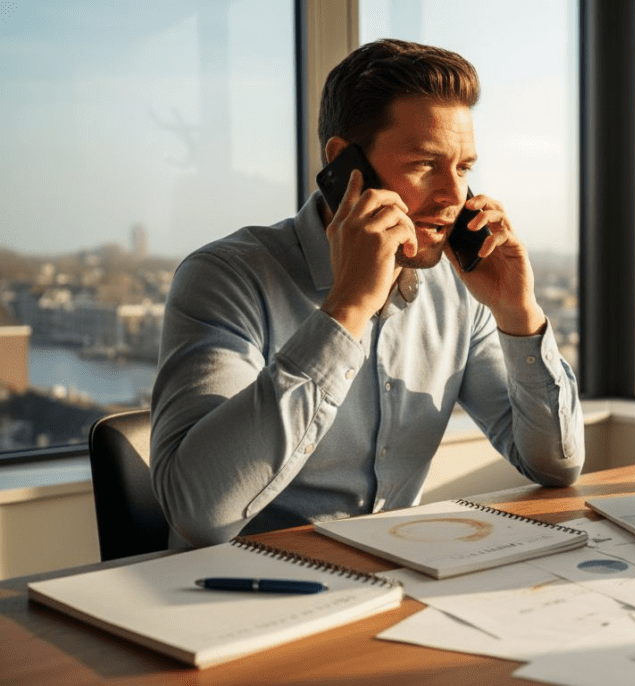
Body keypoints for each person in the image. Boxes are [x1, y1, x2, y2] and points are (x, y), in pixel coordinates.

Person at [150, 39, 584, 549]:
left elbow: (556, 465)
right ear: (344, 164)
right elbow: (197, 513)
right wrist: (347, 310)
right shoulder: (226, 277)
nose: (453, 196)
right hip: (240, 595)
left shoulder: (460, 290)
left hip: (397, 578)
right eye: (425, 164)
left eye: (463, 168)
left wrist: (519, 314)